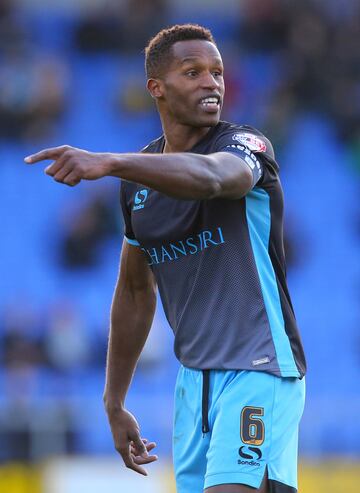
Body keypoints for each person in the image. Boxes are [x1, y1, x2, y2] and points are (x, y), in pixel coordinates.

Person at [25, 24, 306, 493]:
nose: (211, 82)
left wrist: (111, 162)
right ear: (157, 87)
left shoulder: (246, 145)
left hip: (259, 369)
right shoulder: (140, 184)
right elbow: (135, 291)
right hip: (192, 385)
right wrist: (114, 402)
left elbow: (218, 180)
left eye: (216, 72)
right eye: (192, 72)